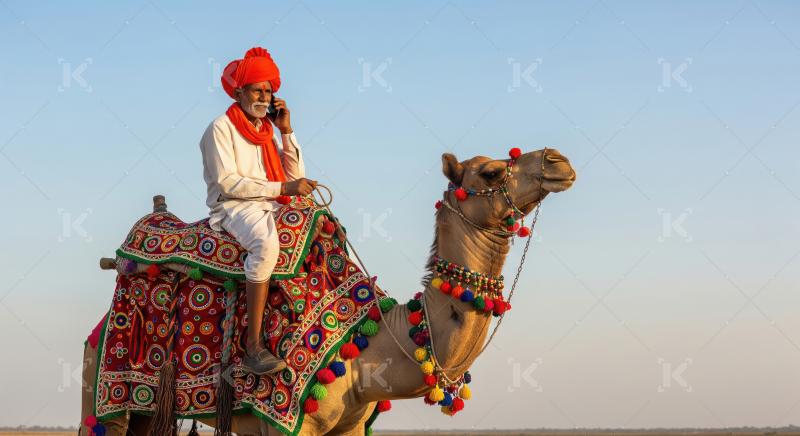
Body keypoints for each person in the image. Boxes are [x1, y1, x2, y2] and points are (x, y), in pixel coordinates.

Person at [200, 47, 317, 374]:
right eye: (257, 90)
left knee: (315, 226)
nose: (264, 97)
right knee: (266, 246)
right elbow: (229, 183)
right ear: (239, 92)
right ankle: (252, 346)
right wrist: (283, 189)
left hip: (271, 202)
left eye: (269, 91)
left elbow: (295, 176)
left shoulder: (268, 132)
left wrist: (286, 130)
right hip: (235, 207)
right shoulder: (220, 129)